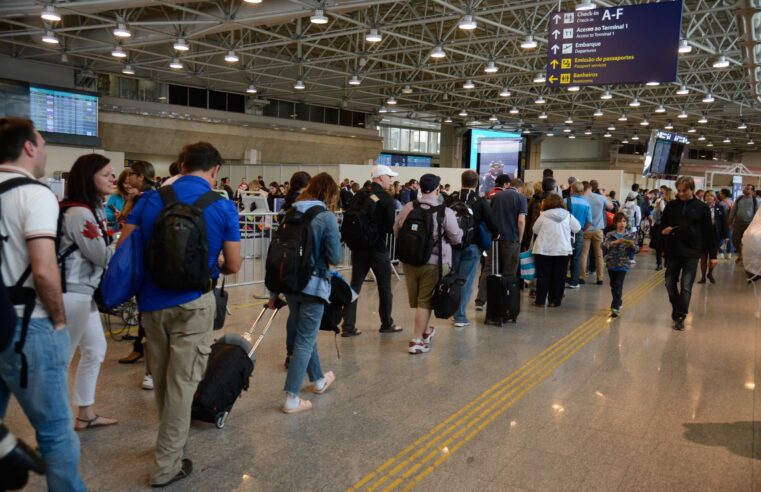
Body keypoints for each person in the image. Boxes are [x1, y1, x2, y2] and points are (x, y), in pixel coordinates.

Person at [118, 142, 242, 486]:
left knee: (164, 379)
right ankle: (166, 466)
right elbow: (232, 264)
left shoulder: (149, 200)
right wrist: (211, 259)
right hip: (194, 303)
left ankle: (169, 446)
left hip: (152, 305)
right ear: (215, 170)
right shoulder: (222, 206)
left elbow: (123, 247)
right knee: (182, 383)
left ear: (182, 165)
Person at [0, 117, 86, 491]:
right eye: (43, 143)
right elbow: (45, 271)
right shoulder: (34, 194)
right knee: (54, 429)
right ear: (29, 147)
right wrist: (59, 319)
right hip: (26, 324)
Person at [59, 153, 119, 431]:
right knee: (63, 358)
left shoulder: (90, 209)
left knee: (95, 349)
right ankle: (56, 421)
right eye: (106, 174)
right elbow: (101, 255)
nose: (112, 179)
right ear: (88, 177)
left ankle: (85, 413)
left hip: (84, 293)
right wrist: (123, 238)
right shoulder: (79, 213)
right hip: (71, 293)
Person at [281, 173, 342, 413]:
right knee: (304, 339)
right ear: (329, 193)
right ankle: (291, 397)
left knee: (306, 334)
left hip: (290, 283)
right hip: (314, 285)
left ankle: (318, 380)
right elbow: (335, 256)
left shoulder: (291, 212)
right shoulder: (325, 217)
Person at [394, 174, 461, 354]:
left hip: (409, 261)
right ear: (438, 189)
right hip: (434, 262)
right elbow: (456, 237)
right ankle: (417, 340)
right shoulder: (444, 211)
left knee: (419, 300)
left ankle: (425, 330)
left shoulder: (408, 207)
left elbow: (396, 229)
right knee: (425, 301)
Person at [341, 165, 400, 337]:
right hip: (378, 249)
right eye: (389, 177)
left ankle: (348, 326)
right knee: (384, 287)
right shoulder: (386, 199)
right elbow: (389, 228)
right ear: (381, 178)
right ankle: (386, 323)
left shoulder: (359, 194)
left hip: (358, 248)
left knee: (355, 286)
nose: (391, 180)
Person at [661, 176, 717, 331]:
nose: (680, 193)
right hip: (673, 251)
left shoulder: (702, 207)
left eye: (684, 190)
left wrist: (713, 255)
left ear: (692, 189)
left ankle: (680, 316)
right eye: (678, 190)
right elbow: (662, 225)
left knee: (686, 286)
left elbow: (708, 232)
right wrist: (663, 231)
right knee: (669, 283)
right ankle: (678, 307)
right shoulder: (671, 206)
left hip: (692, 252)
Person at [119, 161, 157, 370]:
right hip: (147, 262)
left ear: (141, 177)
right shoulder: (144, 198)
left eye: (131, 174)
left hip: (144, 262)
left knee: (146, 312)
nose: (127, 178)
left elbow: (125, 235)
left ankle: (142, 350)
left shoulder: (147, 199)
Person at [450, 170, 498, 327]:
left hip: (453, 245)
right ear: (477, 183)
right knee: (466, 280)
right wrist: (493, 235)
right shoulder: (480, 201)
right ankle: (460, 316)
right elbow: (492, 223)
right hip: (473, 245)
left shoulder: (452, 198)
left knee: (453, 278)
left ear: (461, 181)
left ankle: (451, 309)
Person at [531, 194, 581, 307]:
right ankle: (555, 301)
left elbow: (535, 230)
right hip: (562, 250)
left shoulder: (543, 215)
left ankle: (540, 300)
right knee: (559, 277)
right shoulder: (568, 216)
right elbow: (577, 228)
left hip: (544, 250)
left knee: (543, 276)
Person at [602, 212, 639, 317]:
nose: (622, 224)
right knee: (613, 285)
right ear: (615, 223)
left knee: (618, 284)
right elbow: (603, 246)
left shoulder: (630, 235)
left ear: (627, 223)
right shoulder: (610, 234)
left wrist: (632, 245)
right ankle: (619, 301)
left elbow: (637, 249)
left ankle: (615, 307)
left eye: (624, 221)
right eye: (619, 221)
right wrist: (614, 242)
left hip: (623, 264)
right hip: (611, 263)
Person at [491, 177, 528, 277]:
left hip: (495, 239)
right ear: (520, 188)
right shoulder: (521, 198)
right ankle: (506, 292)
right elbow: (521, 221)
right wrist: (520, 237)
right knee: (509, 271)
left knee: (494, 271)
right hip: (511, 238)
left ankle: (495, 292)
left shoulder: (496, 196)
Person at [580, 181, 612, 285]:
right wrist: (603, 194)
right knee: (599, 255)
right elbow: (611, 207)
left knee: (584, 255)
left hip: (585, 229)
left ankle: (582, 277)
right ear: (591, 188)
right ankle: (600, 278)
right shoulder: (600, 197)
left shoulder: (582, 199)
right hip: (598, 230)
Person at [698, 191, 728, 284]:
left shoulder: (720, 208)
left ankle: (710, 273)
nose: (709, 197)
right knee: (703, 257)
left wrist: (725, 236)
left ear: (714, 197)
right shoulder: (701, 207)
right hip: (703, 235)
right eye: (707, 196)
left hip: (715, 235)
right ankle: (703, 277)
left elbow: (723, 222)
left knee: (713, 258)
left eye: (711, 196)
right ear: (704, 197)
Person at [567, 182, 592, 289]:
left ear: (572, 189)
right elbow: (589, 221)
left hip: (566, 232)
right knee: (576, 257)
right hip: (579, 232)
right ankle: (574, 282)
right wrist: (583, 229)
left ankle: (561, 279)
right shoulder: (586, 204)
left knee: (564, 256)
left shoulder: (565, 201)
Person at [729, 184, 760, 266]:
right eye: (745, 188)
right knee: (735, 241)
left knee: (745, 242)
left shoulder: (755, 200)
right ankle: (740, 255)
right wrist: (730, 222)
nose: (745, 189)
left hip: (749, 225)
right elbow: (733, 211)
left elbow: (757, 214)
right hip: (737, 224)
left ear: (752, 191)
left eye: (748, 189)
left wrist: (755, 226)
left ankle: (743, 258)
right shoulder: (739, 199)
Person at [651, 186, 673, 270]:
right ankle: (659, 263)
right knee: (659, 246)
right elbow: (655, 212)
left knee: (667, 246)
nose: (662, 195)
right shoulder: (660, 201)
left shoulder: (672, 203)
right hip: (659, 226)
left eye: (663, 193)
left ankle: (667, 262)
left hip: (668, 227)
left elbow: (664, 211)